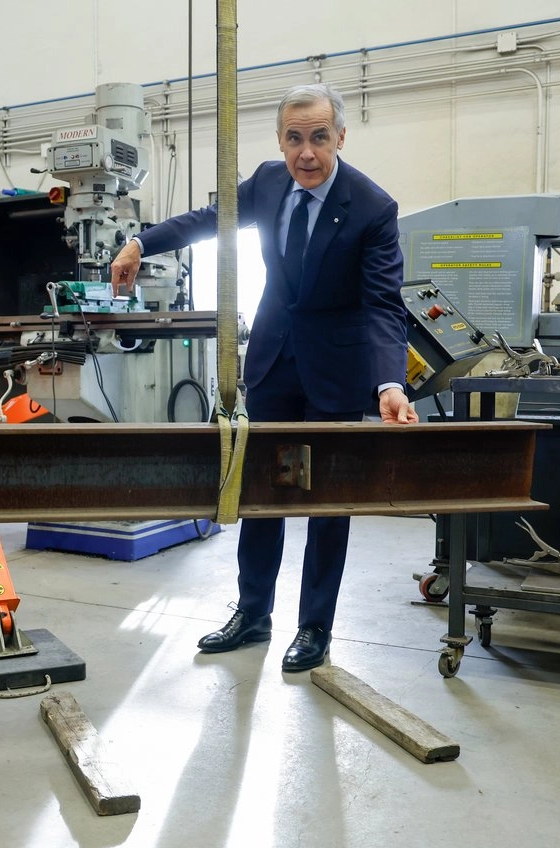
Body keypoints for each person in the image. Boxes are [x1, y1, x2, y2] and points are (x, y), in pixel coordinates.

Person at [110, 82, 417, 673]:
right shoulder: (268, 182)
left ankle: (315, 627)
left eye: (319, 139)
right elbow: (208, 219)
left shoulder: (372, 208)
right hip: (274, 360)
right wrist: (140, 242)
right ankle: (253, 614)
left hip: (334, 371)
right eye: (294, 139)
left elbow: (383, 305)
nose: (306, 153)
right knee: (262, 494)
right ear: (280, 140)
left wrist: (389, 384)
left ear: (341, 138)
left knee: (327, 503)